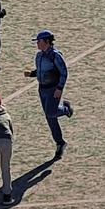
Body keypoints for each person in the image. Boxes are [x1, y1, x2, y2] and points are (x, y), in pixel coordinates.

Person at [24, 30, 73, 158]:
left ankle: (66, 109)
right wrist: (32, 74)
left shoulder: (56, 56)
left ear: (47, 41)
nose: (37, 44)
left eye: (39, 41)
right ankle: (60, 143)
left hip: (53, 89)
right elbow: (41, 71)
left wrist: (59, 88)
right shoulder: (39, 55)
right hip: (42, 89)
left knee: (51, 113)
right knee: (49, 117)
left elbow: (63, 72)